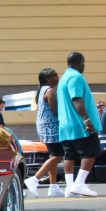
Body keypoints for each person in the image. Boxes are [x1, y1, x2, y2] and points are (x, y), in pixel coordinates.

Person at [56, 51, 100, 197]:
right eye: (83, 63)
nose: (84, 66)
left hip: (65, 125)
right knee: (91, 152)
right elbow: (77, 100)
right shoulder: (76, 77)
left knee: (69, 155)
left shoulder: (63, 79)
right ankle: (80, 184)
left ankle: (70, 187)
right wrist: (87, 120)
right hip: (79, 125)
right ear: (79, 63)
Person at [23, 67, 64, 197]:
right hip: (51, 127)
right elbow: (56, 110)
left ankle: (53, 186)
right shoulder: (50, 91)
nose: (57, 77)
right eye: (54, 75)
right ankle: (34, 179)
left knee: (53, 155)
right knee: (58, 155)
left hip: (43, 126)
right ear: (47, 78)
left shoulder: (41, 91)